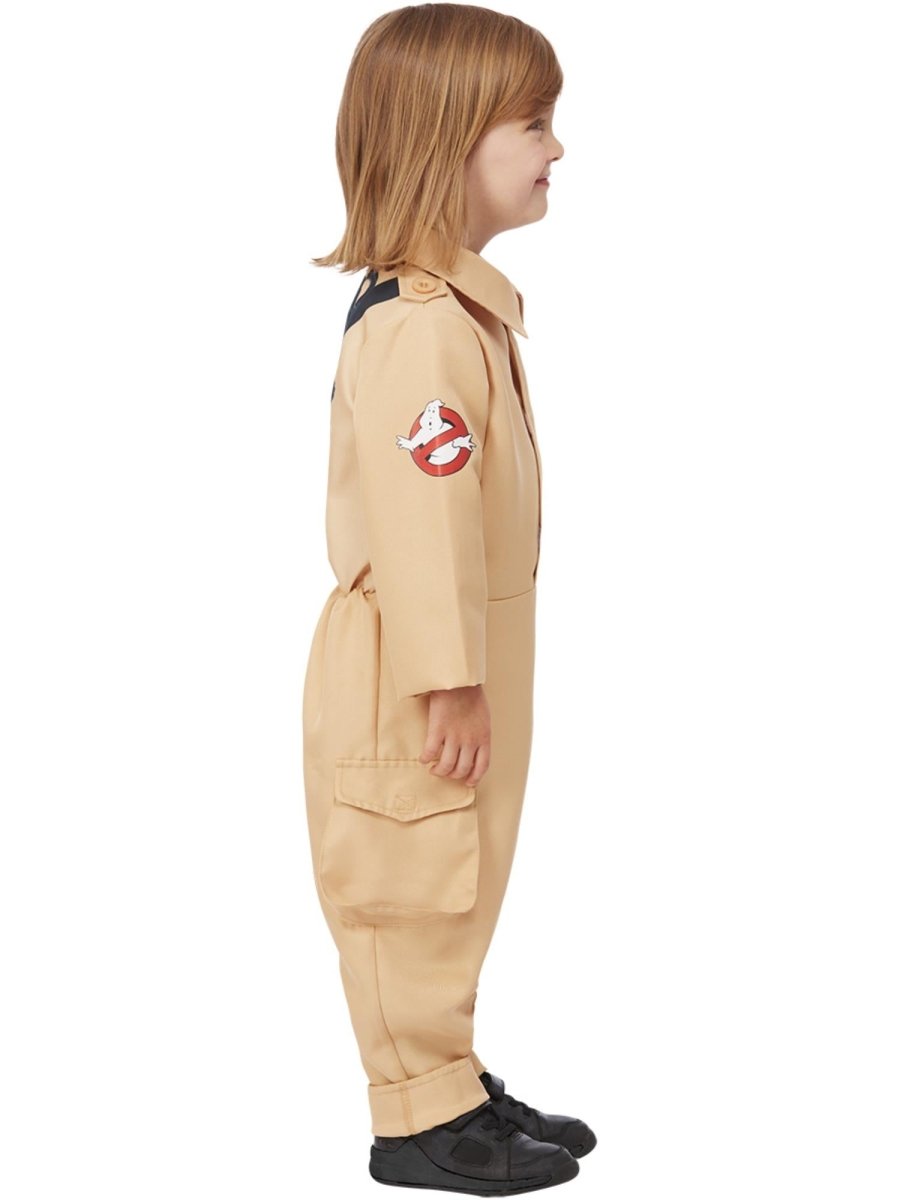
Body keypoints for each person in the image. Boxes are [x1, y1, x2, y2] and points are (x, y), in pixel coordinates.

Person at [302, 4, 595, 1192]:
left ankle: (450, 1075)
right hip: (419, 663)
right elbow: (423, 524)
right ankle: (415, 1115)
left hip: (467, 648)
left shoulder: (464, 313)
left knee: (462, 870)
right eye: (536, 124)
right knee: (412, 879)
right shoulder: (420, 329)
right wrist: (450, 680)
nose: (557, 148)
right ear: (447, 140)